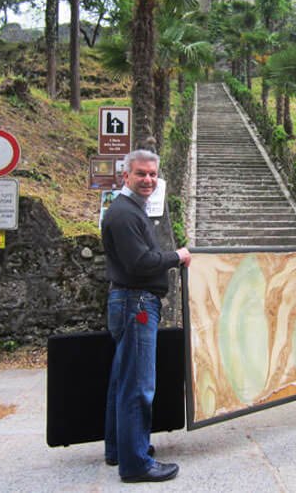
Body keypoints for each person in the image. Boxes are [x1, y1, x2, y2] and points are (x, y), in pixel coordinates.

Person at [101, 149, 191, 482]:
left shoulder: (129, 210)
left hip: (128, 301)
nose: (148, 180)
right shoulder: (124, 214)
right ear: (126, 176)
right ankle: (136, 463)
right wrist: (177, 256)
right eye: (141, 174)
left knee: (122, 380)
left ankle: (119, 449)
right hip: (136, 303)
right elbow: (140, 263)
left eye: (153, 174)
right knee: (137, 384)